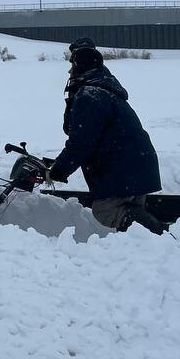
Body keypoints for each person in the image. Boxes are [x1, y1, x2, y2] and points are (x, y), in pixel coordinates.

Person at [48, 38, 168, 235]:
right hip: (135, 164)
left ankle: (161, 235)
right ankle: (151, 246)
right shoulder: (100, 87)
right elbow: (75, 130)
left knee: (106, 211)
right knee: (131, 222)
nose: (69, 71)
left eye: (72, 65)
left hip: (123, 167)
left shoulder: (90, 95)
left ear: (81, 65)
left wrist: (60, 170)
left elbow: (82, 142)